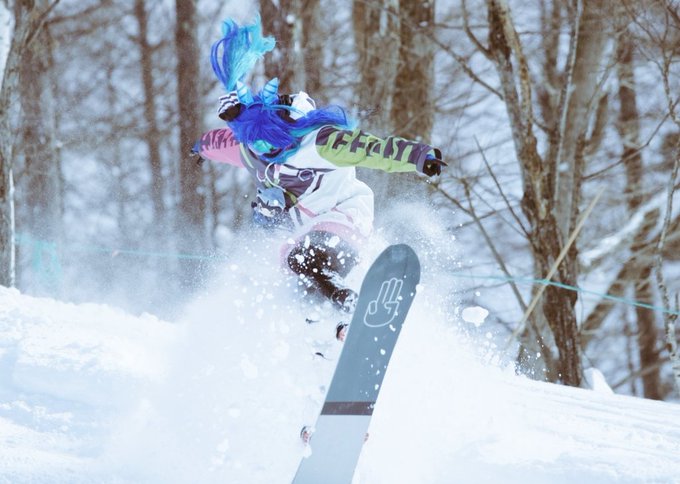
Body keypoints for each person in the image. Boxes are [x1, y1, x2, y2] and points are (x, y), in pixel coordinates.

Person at [195, 16, 445, 314]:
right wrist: (200, 148)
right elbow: (220, 143)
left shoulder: (322, 143)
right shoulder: (252, 150)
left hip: (344, 218)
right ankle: (332, 327)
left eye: (271, 143)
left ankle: (346, 301)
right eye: (258, 143)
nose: (265, 151)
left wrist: (418, 157)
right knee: (297, 283)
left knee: (305, 257)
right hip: (305, 234)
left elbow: (374, 150)